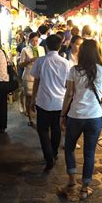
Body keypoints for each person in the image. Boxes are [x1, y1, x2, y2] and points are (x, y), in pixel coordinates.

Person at [60, 39, 102, 198]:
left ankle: (71, 182)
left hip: (75, 116)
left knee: (69, 148)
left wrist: (62, 114)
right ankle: (84, 189)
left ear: (82, 53)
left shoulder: (74, 71)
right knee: (89, 153)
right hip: (94, 117)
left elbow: (69, 94)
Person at [30, 34, 70, 172]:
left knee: (42, 130)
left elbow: (36, 81)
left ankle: (49, 158)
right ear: (60, 46)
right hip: (60, 102)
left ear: (46, 46)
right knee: (56, 129)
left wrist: (32, 99)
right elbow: (68, 84)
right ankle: (54, 153)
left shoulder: (40, 61)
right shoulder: (65, 63)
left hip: (43, 102)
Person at [19, 32, 45, 126]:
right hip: (28, 76)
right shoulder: (25, 50)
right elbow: (21, 64)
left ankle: (38, 116)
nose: (35, 42)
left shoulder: (41, 49)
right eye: (33, 40)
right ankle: (30, 118)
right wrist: (29, 60)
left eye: (36, 40)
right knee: (29, 98)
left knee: (39, 97)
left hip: (40, 76)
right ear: (29, 40)